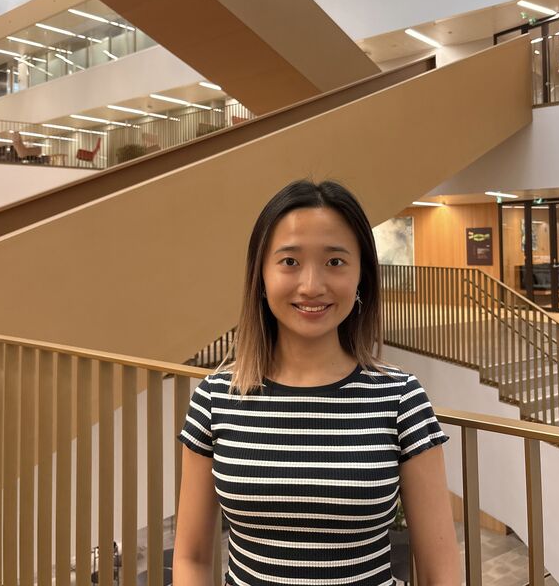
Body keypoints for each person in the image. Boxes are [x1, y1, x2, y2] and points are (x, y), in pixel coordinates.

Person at [173, 180, 461, 586]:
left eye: (335, 262)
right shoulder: (216, 397)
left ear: (361, 275)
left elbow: (439, 570)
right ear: (261, 275)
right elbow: (192, 558)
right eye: (289, 262)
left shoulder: (400, 398)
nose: (311, 285)